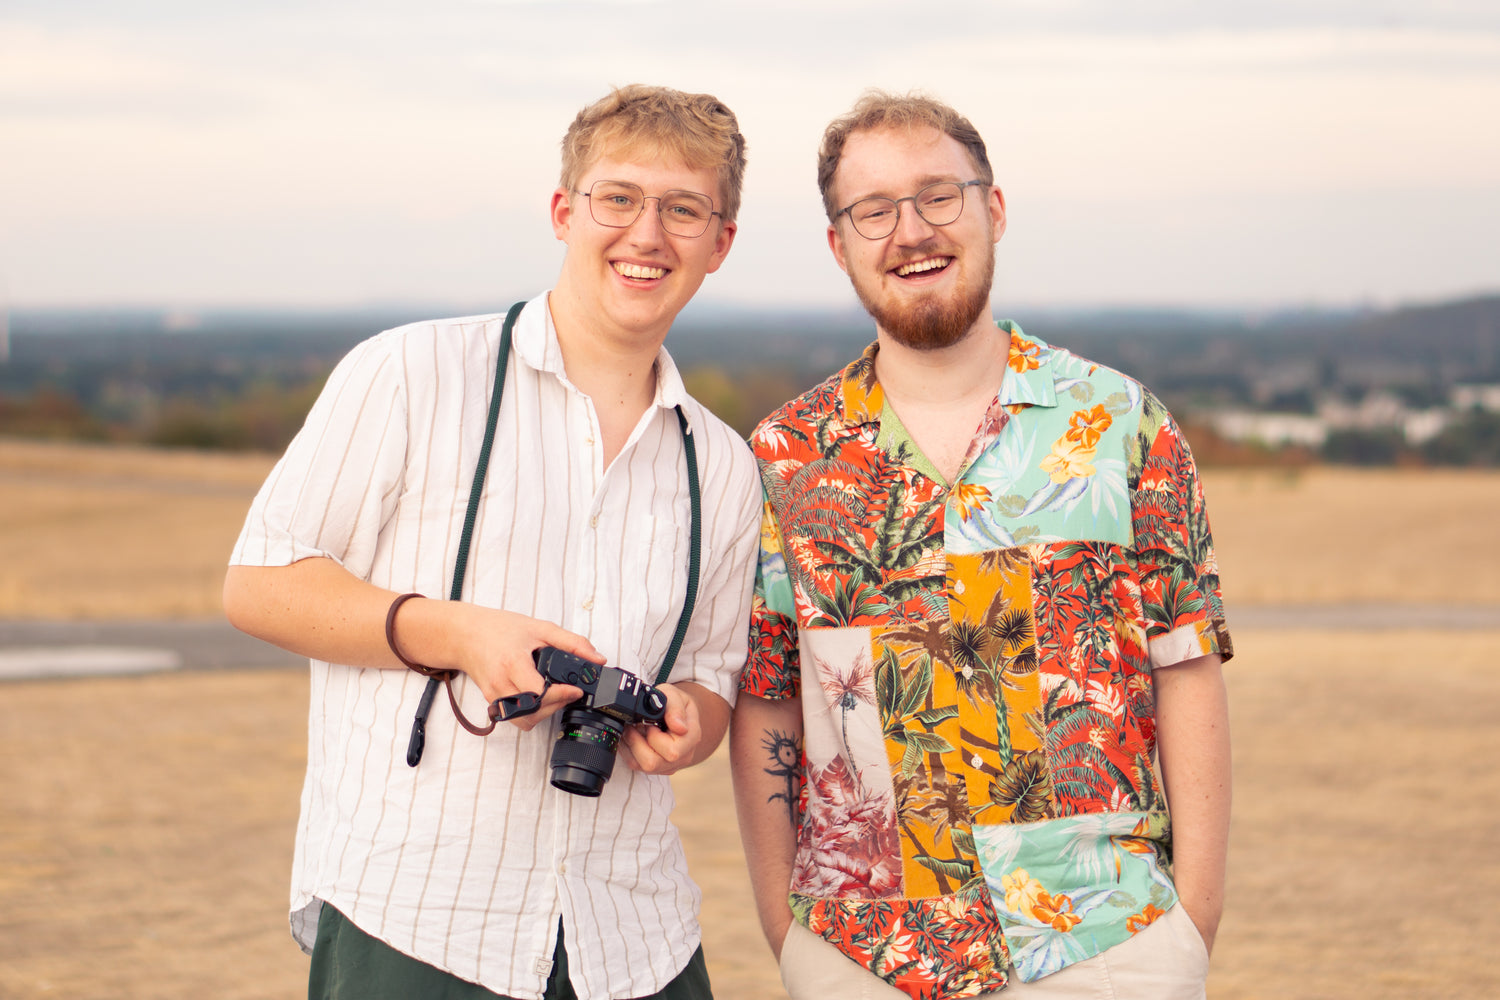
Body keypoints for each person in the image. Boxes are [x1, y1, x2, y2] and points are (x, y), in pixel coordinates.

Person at [223, 84, 762, 1000]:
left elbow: (713, 679)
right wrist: (463, 634)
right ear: (564, 211)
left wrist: (682, 722)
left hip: (634, 936)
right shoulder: (411, 372)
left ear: (722, 241)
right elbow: (259, 584)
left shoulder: (723, 463)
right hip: (420, 918)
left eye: (684, 210)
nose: (647, 235)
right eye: (618, 199)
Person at [730, 91, 1233, 1000]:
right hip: (861, 954)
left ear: (993, 210)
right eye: (872, 210)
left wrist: (1192, 916)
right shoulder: (786, 457)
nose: (910, 230)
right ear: (838, 244)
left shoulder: (1121, 425)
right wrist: (783, 927)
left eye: (938, 196)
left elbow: (1185, 662)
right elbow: (765, 700)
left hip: (1105, 942)